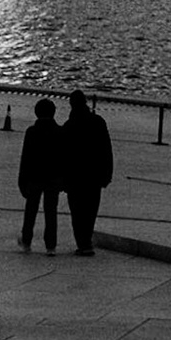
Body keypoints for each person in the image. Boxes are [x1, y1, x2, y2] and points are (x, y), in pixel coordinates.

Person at [61, 89, 113, 256]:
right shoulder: (98, 122)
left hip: (75, 176)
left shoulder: (69, 126)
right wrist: (107, 174)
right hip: (94, 175)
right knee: (90, 210)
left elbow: (64, 154)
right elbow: (106, 150)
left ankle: (82, 242)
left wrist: (63, 178)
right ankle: (87, 240)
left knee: (77, 212)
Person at [17, 98, 61, 252]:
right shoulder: (59, 131)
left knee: (30, 210)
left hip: (34, 177)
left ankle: (26, 240)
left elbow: (26, 158)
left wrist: (22, 181)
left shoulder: (32, 132)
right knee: (51, 212)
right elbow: (62, 157)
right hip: (53, 178)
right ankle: (51, 245)